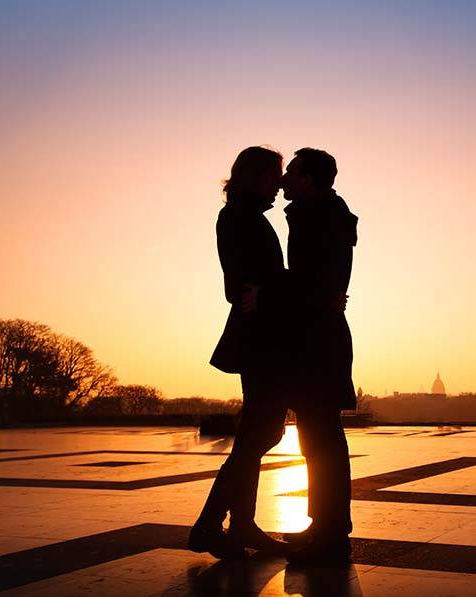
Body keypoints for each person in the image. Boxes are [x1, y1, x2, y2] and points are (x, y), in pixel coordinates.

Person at [189, 146, 292, 558]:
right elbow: (243, 281)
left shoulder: (243, 215)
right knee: (260, 433)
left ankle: (235, 524)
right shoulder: (241, 218)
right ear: (256, 177)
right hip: (262, 337)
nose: (279, 183)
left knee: (259, 432)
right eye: (274, 175)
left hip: (261, 334)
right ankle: (214, 525)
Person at [279, 148, 358, 566]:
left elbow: (311, 282)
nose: (284, 179)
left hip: (317, 337)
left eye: (291, 172)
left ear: (308, 179)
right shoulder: (325, 214)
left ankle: (330, 532)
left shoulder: (318, 217)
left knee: (321, 438)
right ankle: (325, 525)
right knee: (318, 436)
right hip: (320, 333)